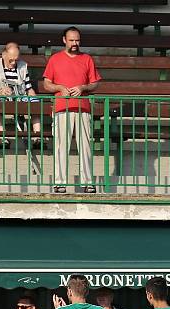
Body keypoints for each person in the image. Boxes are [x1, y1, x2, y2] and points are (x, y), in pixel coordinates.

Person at [42, 26, 102, 194]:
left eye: (77, 40)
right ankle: (59, 182)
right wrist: (59, 87)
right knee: (61, 146)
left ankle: (88, 182)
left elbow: (95, 83)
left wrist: (83, 87)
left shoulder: (87, 58)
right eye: (71, 40)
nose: (75, 43)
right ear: (64, 40)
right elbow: (46, 84)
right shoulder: (55, 59)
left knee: (85, 146)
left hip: (83, 107)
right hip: (62, 107)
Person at [0, 42, 42, 150]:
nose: (14, 63)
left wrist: (33, 97)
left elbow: (29, 88)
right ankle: (3, 136)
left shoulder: (23, 66)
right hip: (2, 97)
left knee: (35, 101)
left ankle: (37, 136)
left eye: (16, 59)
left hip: (20, 96)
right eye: (11, 60)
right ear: (4, 55)